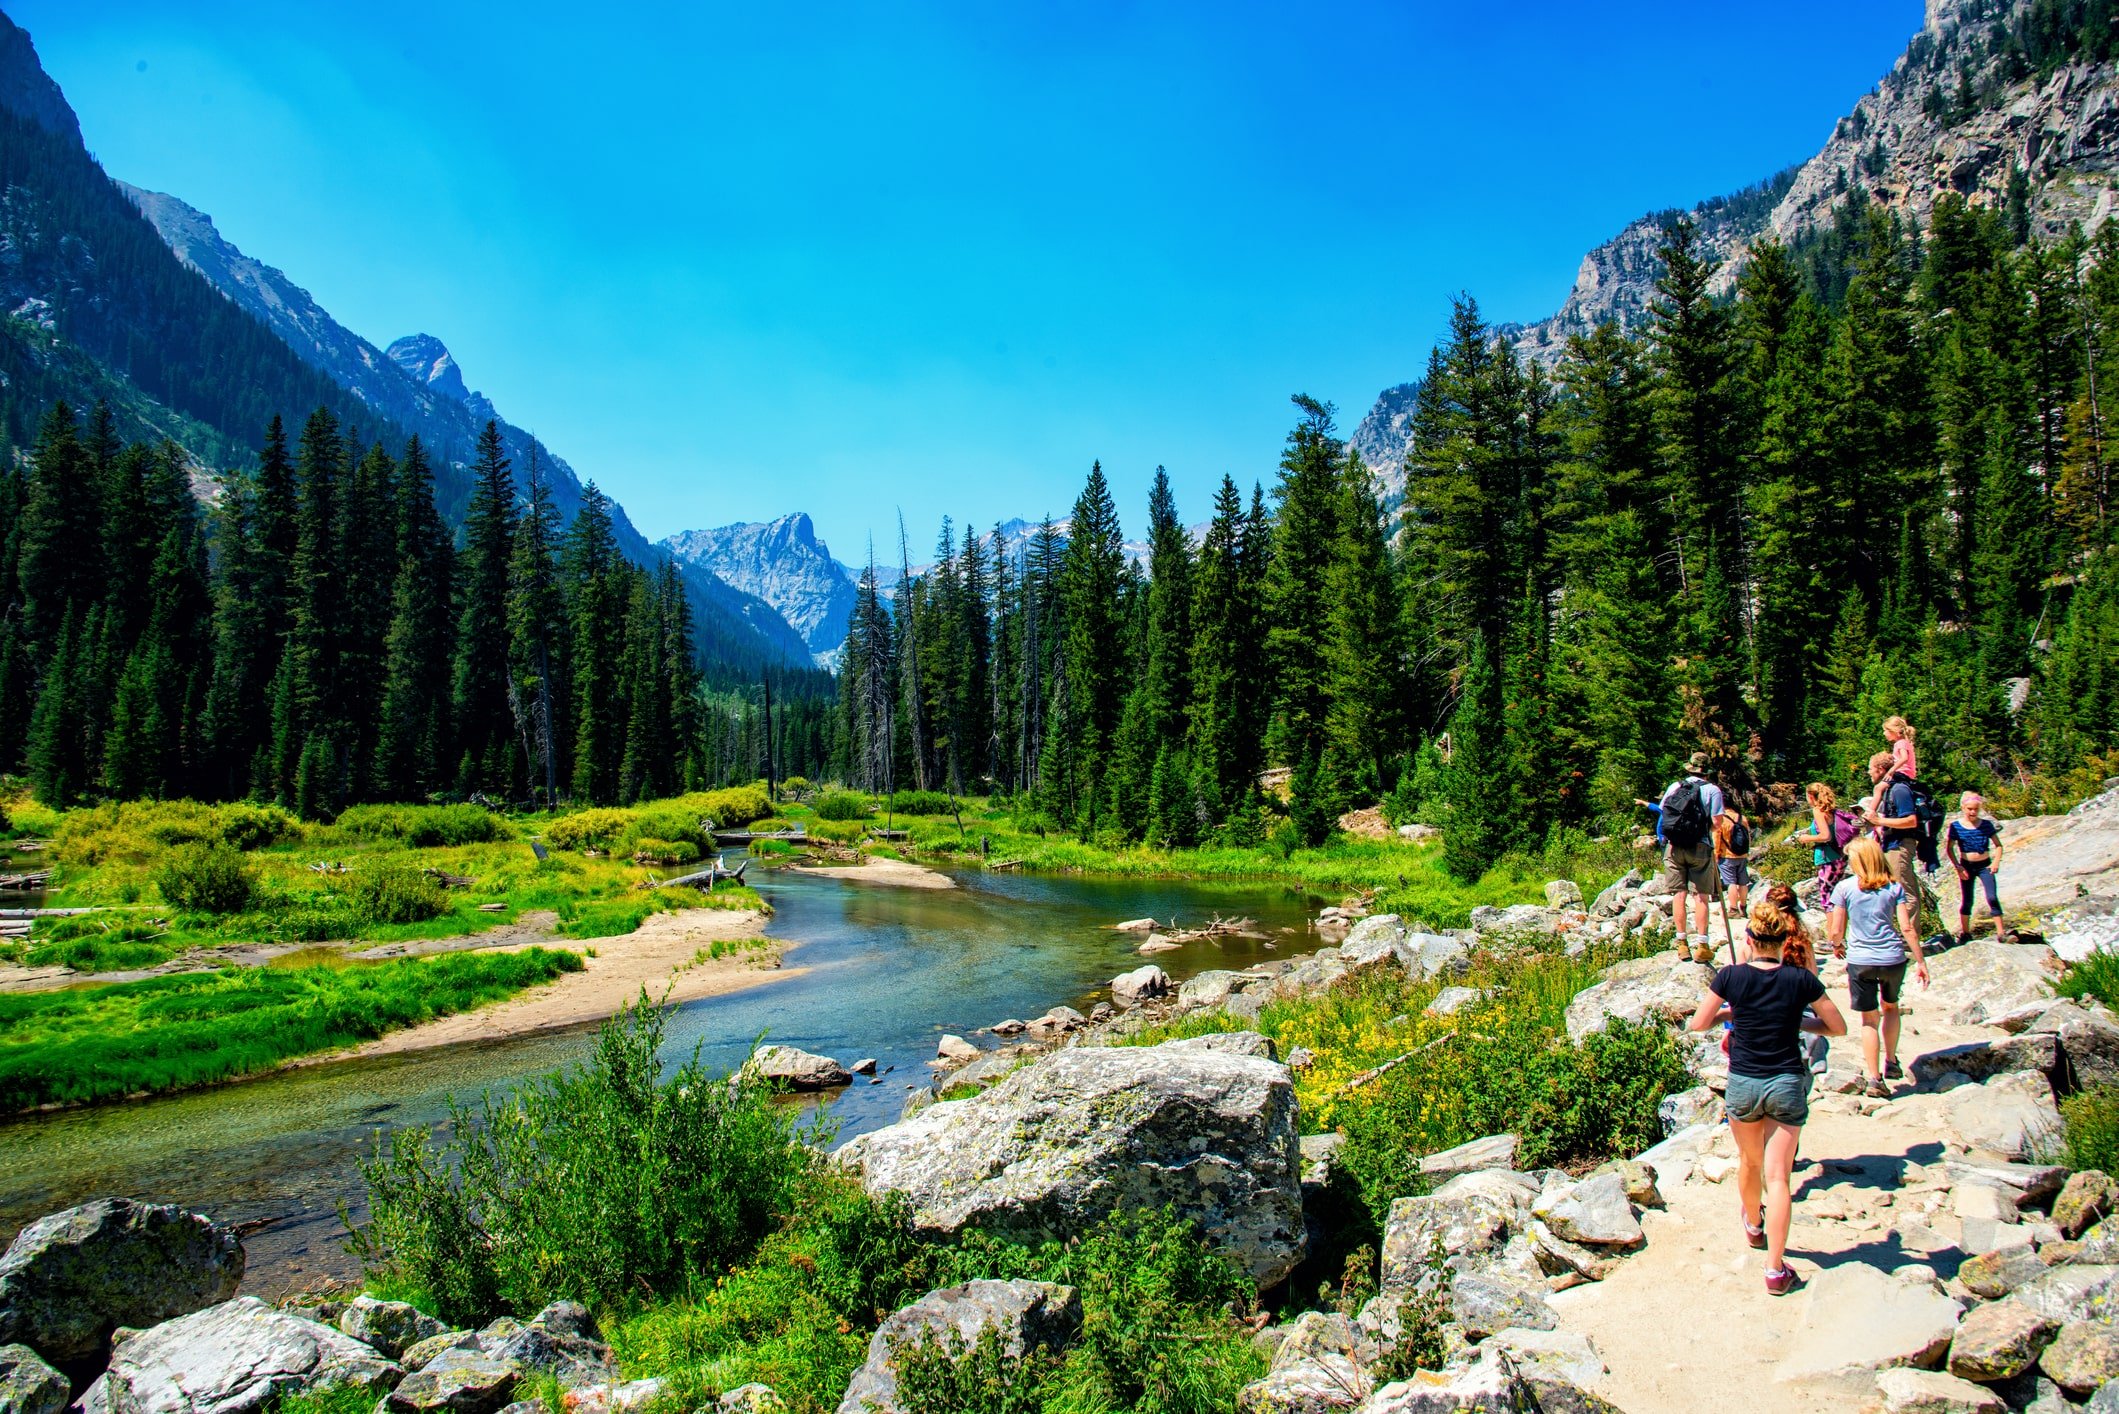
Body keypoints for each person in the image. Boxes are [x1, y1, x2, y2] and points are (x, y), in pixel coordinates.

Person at [1689, 901, 1847, 1296]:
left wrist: (1732, 1015)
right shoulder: (1801, 980)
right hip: (1786, 1081)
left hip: (1744, 1080)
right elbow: (1836, 1027)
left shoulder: (1731, 977)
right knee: (1779, 1177)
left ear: (1749, 939)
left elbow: (1698, 1022)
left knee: (1749, 1162)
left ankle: (1753, 1224)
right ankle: (1775, 1269)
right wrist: (1797, 1019)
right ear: (1782, 940)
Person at [1827, 836, 1930, 1098]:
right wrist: (1920, 961)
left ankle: (1875, 1079)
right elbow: (1906, 927)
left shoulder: (1845, 888)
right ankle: (1892, 1059)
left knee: (1868, 1019)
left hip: (1861, 960)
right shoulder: (1893, 888)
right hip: (1892, 958)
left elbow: (1837, 929)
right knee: (1891, 1007)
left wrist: (1837, 945)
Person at [1659, 753, 1726, 965]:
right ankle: (1702, 946)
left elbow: (1663, 811)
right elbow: (1717, 822)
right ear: (1707, 771)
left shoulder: (1674, 787)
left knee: (1679, 895)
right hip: (1700, 845)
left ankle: (1681, 944)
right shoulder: (1713, 791)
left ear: (1690, 769)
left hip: (1674, 846)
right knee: (1701, 897)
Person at [1863, 752, 1930, 917]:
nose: (1869, 772)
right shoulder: (1888, 790)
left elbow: (1911, 821)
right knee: (1896, 891)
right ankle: (1905, 934)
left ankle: (1910, 935)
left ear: (1880, 769)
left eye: (1870, 769)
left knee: (1904, 893)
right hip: (1891, 845)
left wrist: (1879, 821)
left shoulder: (1899, 790)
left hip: (1900, 846)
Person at [1947, 792, 2013, 944]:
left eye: (1975, 809)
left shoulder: (1986, 825)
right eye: (1969, 809)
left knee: (1992, 897)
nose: (1972, 812)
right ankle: (1965, 933)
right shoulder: (1956, 827)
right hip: (1966, 866)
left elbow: (1998, 845)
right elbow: (1949, 848)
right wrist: (1958, 866)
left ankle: (2001, 933)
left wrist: (1995, 862)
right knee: (1967, 900)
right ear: (1963, 808)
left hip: (1984, 865)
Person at [1789, 783, 1854, 895]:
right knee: (1838, 895)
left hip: (1828, 858)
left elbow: (1825, 836)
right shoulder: (1830, 810)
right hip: (1839, 856)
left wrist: (1806, 838)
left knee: (1827, 896)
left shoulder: (1818, 811)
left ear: (1810, 796)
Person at [1714, 805, 1754, 920]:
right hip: (1742, 855)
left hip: (1727, 855)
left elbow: (1717, 837)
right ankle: (1743, 907)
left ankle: (1733, 909)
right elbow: (1748, 836)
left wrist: (1716, 854)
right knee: (1743, 882)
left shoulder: (1721, 819)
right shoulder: (1742, 818)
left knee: (1731, 882)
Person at [1883, 715, 1919, 781]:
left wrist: (1891, 770)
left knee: (1878, 788)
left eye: (1885, 730)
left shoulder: (1901, 743)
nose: (1884, 733)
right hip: (1906, 774)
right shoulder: (1904, 743)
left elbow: (1904, 758)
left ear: (1894, 730)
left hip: (1903, 773)